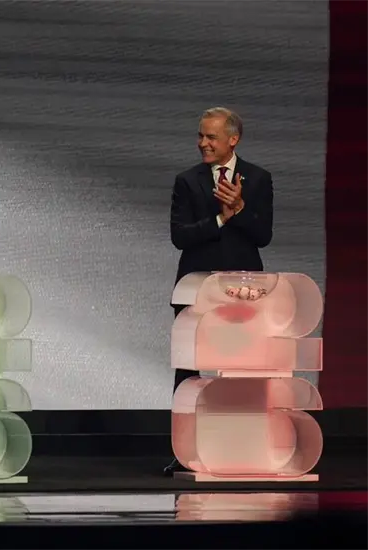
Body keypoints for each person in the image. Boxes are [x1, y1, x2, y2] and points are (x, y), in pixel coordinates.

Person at [163, 107, 274, 475]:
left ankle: (241, 448)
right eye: (200, 136)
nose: (203, 143)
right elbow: (180, 236)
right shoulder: (187, 180)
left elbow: (264, 236)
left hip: (242, 290)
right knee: (189, 370)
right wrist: (220, 218)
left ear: (233, 139)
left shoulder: (257, 179)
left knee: (242, 369)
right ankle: (184, 451)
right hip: (196, 288)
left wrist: (240, 209)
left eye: (210, 137)